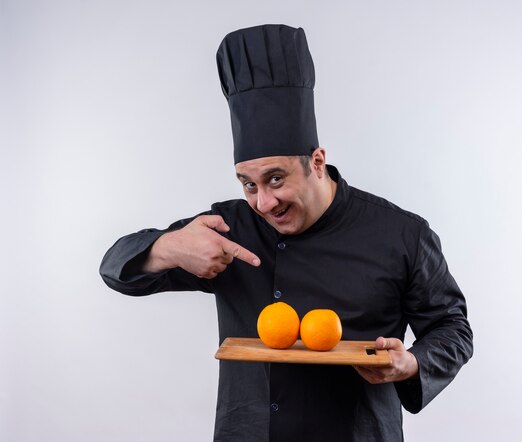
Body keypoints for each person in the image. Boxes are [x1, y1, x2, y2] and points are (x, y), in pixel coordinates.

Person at [100, 24, 473, 442]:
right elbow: (115, 268)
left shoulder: (401, 234)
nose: (262, 202)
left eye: (276, 179)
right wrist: (168, 248)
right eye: (248, 183)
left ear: (317, 161)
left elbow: (452, 328)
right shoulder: (229, 230)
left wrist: (413, 363)